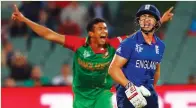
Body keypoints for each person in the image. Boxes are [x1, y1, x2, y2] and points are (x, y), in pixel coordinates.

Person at [12, 4, 173, 108]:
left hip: (103, 93)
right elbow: (49, 34)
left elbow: (138, 35)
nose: (105, 31)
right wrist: (24, 19)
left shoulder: (113, 44)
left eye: (105, 28)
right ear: (91, 33)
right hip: (81, 96)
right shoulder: (78, 44)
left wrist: (160, 21)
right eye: (100, 29)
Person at [108, 4, 172, 108]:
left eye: (150, 17)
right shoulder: (129, 43)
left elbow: (156, 69)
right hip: (128, 94)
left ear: (156, 21)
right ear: (139, 21)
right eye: (143, 17)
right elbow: (113, 69)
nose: (146, 20)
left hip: (148, 93)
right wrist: (131, 88)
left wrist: (151, 89)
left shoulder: (160, 45)